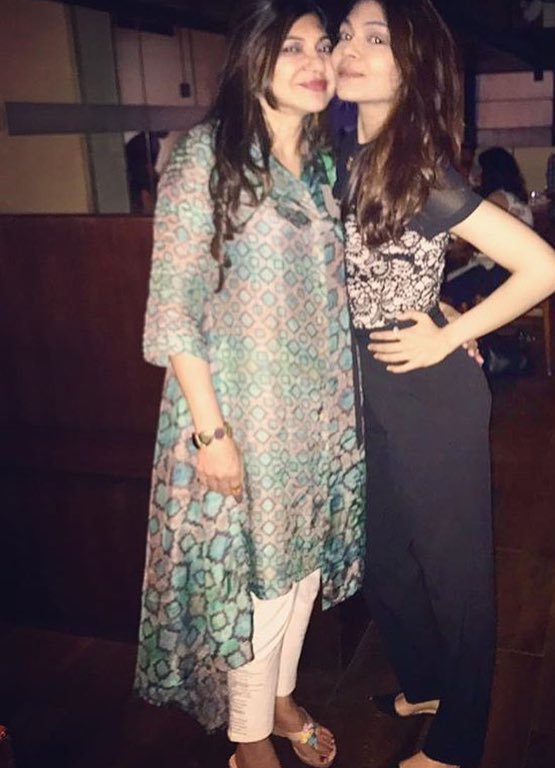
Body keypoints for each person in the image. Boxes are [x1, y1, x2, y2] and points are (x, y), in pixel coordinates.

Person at [332, 3, 555, 768]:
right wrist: (441, 308)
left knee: (454, 572)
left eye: (375, 39)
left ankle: (459, 741)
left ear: (411, 66)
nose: (349, 49)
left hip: (428, 390)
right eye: (345, 34)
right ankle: (429, 684)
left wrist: (449, 332)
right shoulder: (345, 158)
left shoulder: (419, 169)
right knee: (386, 562)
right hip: (368, 384)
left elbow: (544, 267)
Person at [134, 4, 365, 768]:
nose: (316, 62)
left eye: (322, 46)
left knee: (302, 575)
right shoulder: (206, 156)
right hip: (244, 414)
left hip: (322, 414)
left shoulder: (325, 166)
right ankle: (248, 740)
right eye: (292, 47)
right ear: (253, 59)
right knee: (259, 590)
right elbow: (174, 307)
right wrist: (212, 433)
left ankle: (282, 698)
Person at [443, 146, 533, 308]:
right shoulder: (515, 198)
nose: (476, 174)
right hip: (514, 271)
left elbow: (470, 236)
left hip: (496, 274)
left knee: (442, 288)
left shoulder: (497, 199)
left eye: (480, 170)